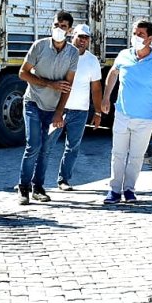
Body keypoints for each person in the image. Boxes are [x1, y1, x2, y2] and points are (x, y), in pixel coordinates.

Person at [99, 19, 152, 205]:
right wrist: (106, 97)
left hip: (145, 119)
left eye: (141, 34)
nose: (136, 37)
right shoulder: (123, 55)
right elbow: (113, 73)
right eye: (134, 33)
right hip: (122, 114)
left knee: (136, 156)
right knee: (118, 154)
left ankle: (129, 190)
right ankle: (114, 191)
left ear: (150, 39)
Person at [16, 11, 78, 205]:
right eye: (56, 25)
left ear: (69, 31)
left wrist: (60, 112)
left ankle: (38, 188)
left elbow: (68, 86)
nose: (59, 29)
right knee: (33, 145)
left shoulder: (73, 53)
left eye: (63, 26)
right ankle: (23, 187)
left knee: (45, 149)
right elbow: (23, 73)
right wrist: (50, 84)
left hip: (54, 108)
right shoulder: (40, 46)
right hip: (33, 102)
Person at [55, 23, 102, 191]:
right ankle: (35, 181)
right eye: (80, 37)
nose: (83, 40)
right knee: (45, 144)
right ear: (72, 36)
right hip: (59, 109)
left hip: (80, 111)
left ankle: (64, 180)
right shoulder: (62, 54)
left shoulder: (92, 60)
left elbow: (96, 88)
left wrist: (97, 112)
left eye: (86, 38)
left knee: (72, 147)